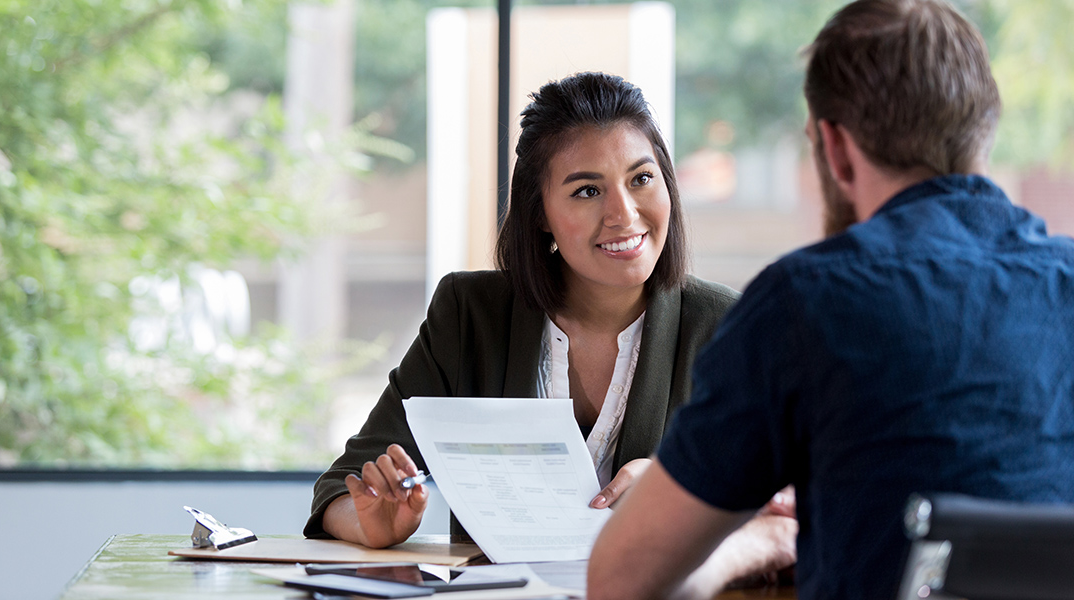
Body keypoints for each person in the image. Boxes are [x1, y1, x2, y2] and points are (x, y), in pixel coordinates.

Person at [588, 2, 1074, 600]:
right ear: (986, 126)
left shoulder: (807, 303)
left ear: (835, 147)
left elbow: (619, 580)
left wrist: (759, 540)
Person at [305, 73, 792, 586]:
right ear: (540, 214)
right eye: (587, 190)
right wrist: (369, 523)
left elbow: (786, 504)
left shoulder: (727, 327)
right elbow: (342, 486)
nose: (623, 214)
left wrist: (683, 491)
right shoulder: (469, 315)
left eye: (641, 179)